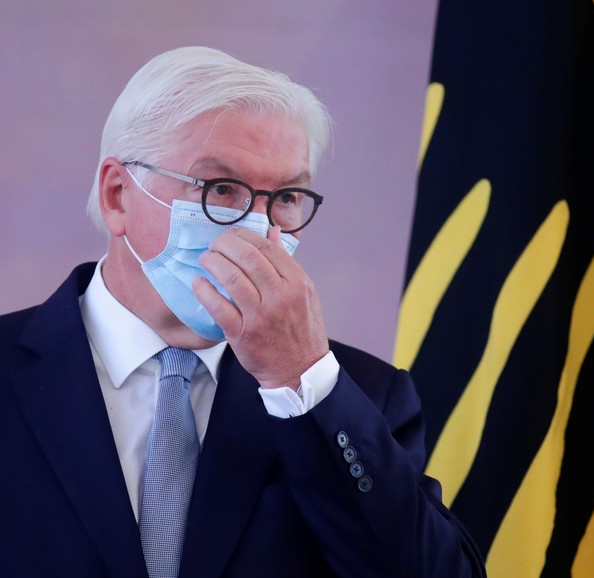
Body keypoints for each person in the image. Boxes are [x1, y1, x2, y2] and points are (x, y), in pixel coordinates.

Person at [0, 46, 485, 577]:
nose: (257, 229)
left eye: (286, 198)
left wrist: (302, 384)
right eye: (221, 188)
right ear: (118, 195)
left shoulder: (361, 395)